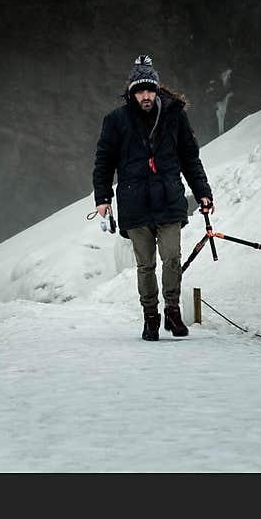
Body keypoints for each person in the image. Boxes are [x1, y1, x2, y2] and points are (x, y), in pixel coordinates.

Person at [92, 54, 214, 341]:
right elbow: (104, 161)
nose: (145, 96)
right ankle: (150, 317)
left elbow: (190, 158)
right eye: (140, 91)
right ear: (132, 93)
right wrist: (103, 198)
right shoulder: (115, 120)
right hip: (134, 203)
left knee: (172, 257)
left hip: (170, 199)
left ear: (157, 90)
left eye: (149, 90)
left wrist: (203, 193)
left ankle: (172, 311)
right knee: (145, 265)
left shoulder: (175, 116)